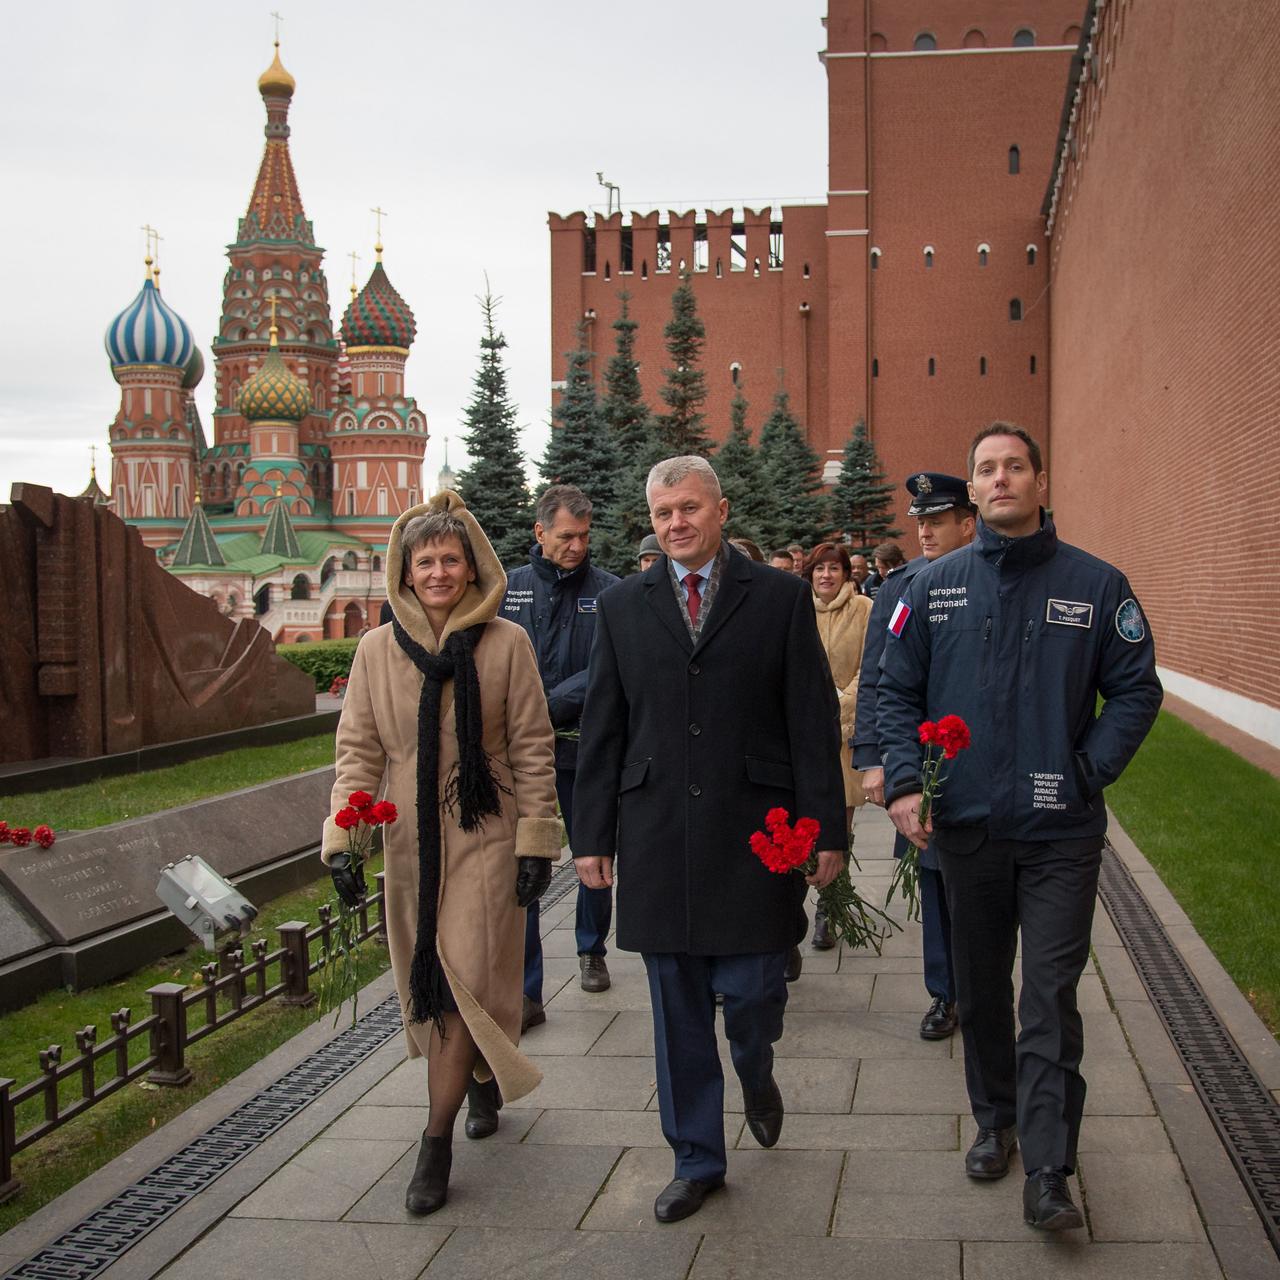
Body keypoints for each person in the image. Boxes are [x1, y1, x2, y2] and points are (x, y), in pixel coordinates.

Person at [877, 425, 1161, 1231]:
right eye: (986, 470)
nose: (999, 480)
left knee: (1048, 993)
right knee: (980, 990)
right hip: (965, 828)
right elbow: (895, 691)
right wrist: (904, 784)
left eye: (1013, 466)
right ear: (973, 490)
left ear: (1040, 479)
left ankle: (1048, 1166)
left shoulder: (1098, 586)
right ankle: (994, 1120)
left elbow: (1136, 690)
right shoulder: (932, 589)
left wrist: (1084, 771)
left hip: (1059, 833)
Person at [574, 455, 847, 1224]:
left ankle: (756, 1069)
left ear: (720, 510)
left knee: (756, 990)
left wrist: (826, 828)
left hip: (757, 835)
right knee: (678, 1011)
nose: (675, 525)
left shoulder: (781, 599)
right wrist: (592, 833)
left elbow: (810, 717)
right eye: (662, 515)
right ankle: (696, 1157)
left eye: (689, 509)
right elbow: (604, 726)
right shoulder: (625, 607)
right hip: (658, 834)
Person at [323, 492, 561, 1216]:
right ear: (404, 568)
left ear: (472, 568)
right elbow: (357, 752)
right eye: (423, 560)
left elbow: (531, 747)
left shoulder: (506, 644)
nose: (436, 572)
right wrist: (343, 838)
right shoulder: (374, 649)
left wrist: (536, 840)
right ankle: (482, 1076)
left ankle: (435, 1140)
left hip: (485, 830)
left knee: (459, 973)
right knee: (436, 985)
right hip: (408, 840)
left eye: (449, 559)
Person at [855, 473, 976, 1035]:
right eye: (919, 521)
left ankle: (984, 989)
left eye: (937, 520)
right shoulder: (900, 585)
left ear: (967, 524)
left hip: (981, 756)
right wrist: (873, 758)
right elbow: (878, 680)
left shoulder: (989, 579)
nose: (925, 531)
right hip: (924, 760)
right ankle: (945, 993)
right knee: (932, 873)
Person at [502, 485, 620, 1015]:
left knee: (593, 852)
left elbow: (606, 668)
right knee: (526, 858)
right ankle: (527, 985)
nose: (576, 546)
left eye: (584, 536)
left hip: (581, 748)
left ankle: (591, 949)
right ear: (540, 532)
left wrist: (544, 706)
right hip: (520, 757)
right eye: (566, 536)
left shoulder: (611, 593)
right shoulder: (507, 590)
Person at [802, 542, 873, 949]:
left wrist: (840, 703)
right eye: (820, 569)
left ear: (847, 574)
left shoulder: (863, 609)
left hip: (844, 734)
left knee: (837, 827)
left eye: (835, 568)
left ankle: (831, 907)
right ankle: (797, 903)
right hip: (804, 732)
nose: (827, 575)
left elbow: (872, 664)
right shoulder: (797, 608)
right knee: (800, 828)